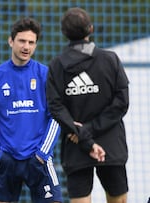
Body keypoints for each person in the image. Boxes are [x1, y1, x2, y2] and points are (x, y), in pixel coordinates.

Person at [46, 7, 129, 203]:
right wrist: (93, 131)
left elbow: (56, 107)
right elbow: (122, 102)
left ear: (64, 33)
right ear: (90, 29)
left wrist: (84, 135)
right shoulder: (110, 60)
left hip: (77, 145)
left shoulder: (56, 65)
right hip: (111, 144)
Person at [0, 17, 62, 203]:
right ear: (11, 41)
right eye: (22, 41)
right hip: (7, 159)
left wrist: (42, 154)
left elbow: (56, 116)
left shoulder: (46, 75)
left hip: (38, 159)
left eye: (31, 42)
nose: (26, 47)